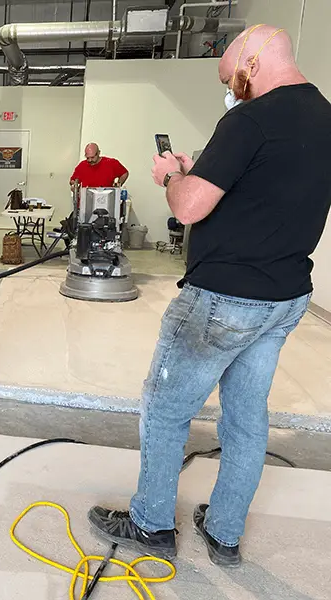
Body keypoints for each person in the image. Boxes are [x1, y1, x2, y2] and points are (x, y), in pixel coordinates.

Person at [89, 25, 331, 568]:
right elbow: (271, 195)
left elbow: (189, 207)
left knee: (166, 407)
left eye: (231, 76)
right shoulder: (325, 117)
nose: (232, 89)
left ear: (254, 56)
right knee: (246, 421)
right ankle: (224, 533)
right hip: (286, 298)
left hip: (224, 297)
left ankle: (150, 524)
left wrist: (173, 175)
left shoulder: (249, 119)